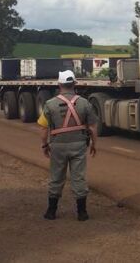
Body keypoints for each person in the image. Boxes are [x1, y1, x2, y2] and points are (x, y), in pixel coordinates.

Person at [37, 70, 98, 221]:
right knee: (79, 177)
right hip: (78, 145)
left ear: (59, 85)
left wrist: (44, 146)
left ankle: (51, 211)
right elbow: (92, 128)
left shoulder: (50, 104)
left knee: (56, 177)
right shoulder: (85, 103)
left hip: (58, 146)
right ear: (74, 84)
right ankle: (82, 213)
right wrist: (94, 144)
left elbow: (44, 128)